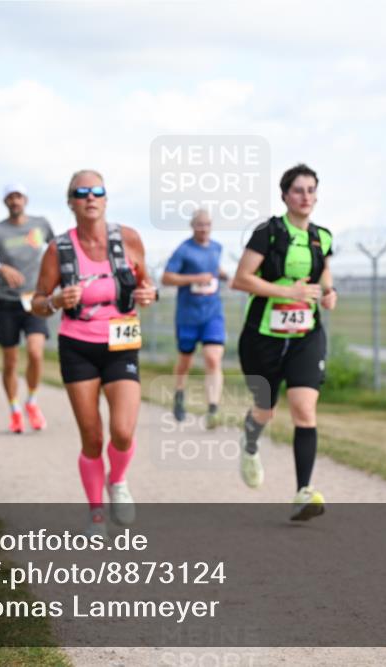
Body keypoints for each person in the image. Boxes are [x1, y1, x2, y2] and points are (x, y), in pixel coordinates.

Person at [32, 170, 157, 536]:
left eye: (97, 191)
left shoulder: (129, 239)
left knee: (122, 430)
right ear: (70, 203)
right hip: (78, 346)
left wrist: (149, 295)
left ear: (105, 198)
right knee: (92, 437)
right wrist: (55, 300)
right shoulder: (58, 249)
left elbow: (146, 285)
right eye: (81, 192)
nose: (90, 197)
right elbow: (37, 302)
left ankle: (117, 481)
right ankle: (96, 513)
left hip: (122, 341)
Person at [231, 163, 337, 521]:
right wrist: (286, 291)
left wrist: (329, 293)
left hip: (306, 335)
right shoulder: (268, 233)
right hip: (263, 337)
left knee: (304, 409)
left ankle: (303, 492)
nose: (305, 196)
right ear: (284, 196)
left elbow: (323, 274)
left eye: (311, 190)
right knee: (265, 409)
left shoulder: (322, 237)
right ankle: (249, 445)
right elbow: (241, 279)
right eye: (298, 190)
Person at [0, 183, 55, 432]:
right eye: (10, 197)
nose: (15, 201)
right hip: (7, 302)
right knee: (10, 362)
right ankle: (14, 409)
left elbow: (58, 250)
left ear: (26, 199)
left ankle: (31, 400)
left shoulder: (40, 224)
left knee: (35, 352)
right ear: (5, 202)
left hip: (35, 299)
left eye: (18, 196)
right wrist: (0, 267)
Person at [161, 208, 228, 428]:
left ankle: (213, 409)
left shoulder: (217, 247)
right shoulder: (184, 249)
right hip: (188, 315)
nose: (204, 229)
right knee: (185, 361)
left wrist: (225, 275)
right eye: (199, 225)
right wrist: (195, 278)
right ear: (193, 227)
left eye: (207, 224)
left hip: (212, 313)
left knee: (213, 358)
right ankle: (179, 394)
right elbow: (167, 278)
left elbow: (214, 268)